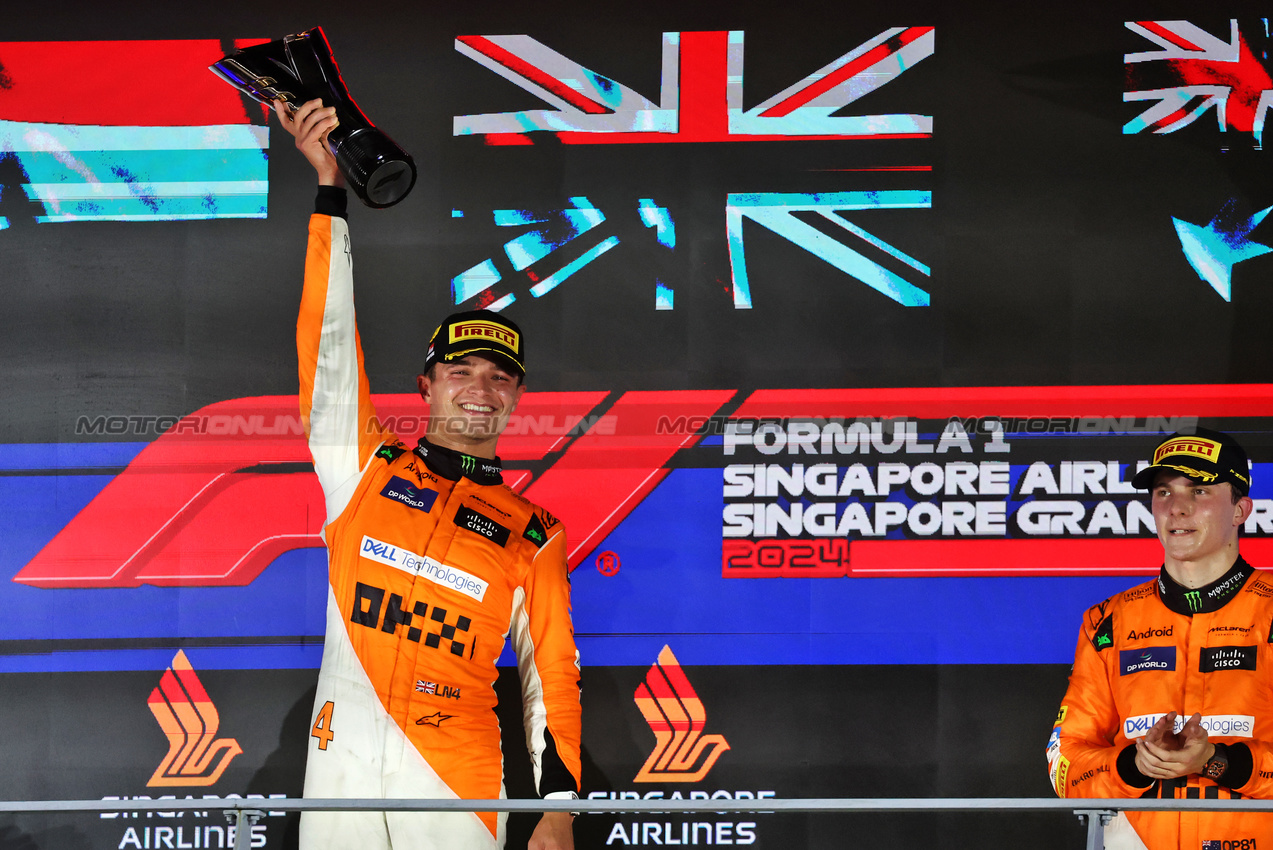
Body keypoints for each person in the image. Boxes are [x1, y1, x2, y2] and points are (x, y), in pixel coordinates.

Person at [276, 98, 582, 850]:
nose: (480, 389)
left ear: (517, 397)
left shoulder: (533, 531)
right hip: (338, 765)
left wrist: (560, 806)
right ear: (426, 385)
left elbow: (552, 675)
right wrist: (328, 195)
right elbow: (329, 351)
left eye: (500, 377)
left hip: (456, 780)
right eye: (461, 371)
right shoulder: (363, 468)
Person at [1048, 427, 1273, 849]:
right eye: (1164, 492)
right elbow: (1064, 762)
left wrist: (1218, 762)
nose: (1178, 509)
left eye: (1200, 490)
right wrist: (1134, 765)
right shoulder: (1107, 621)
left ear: (1241, 508)